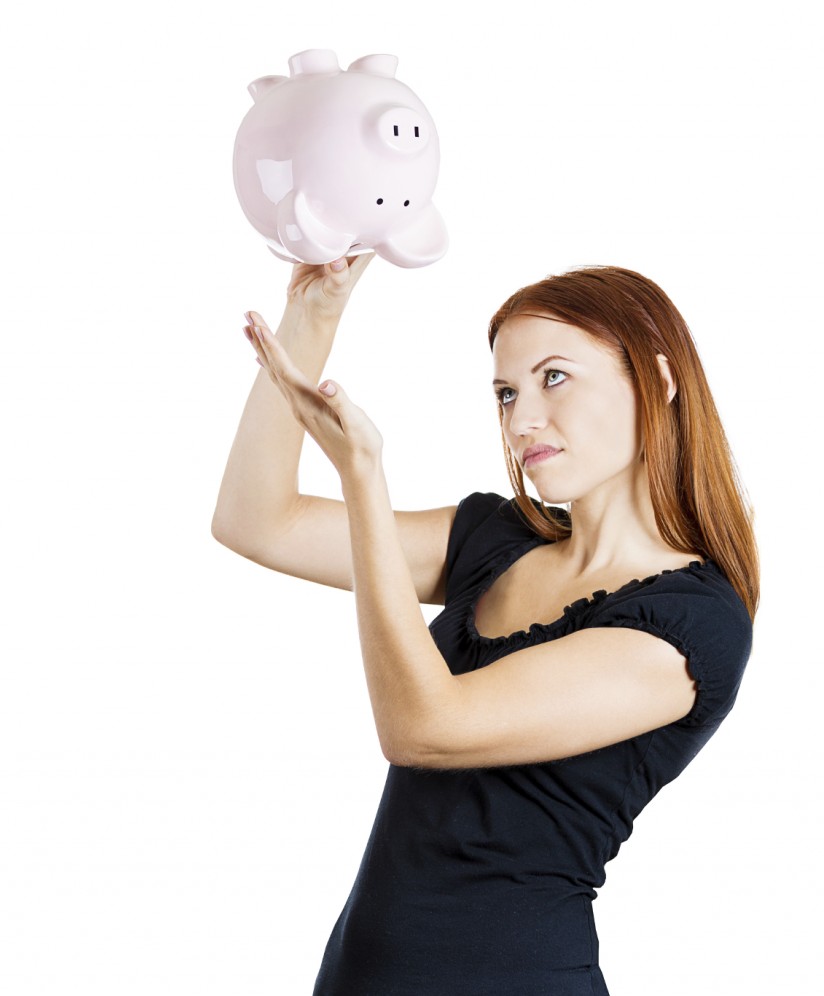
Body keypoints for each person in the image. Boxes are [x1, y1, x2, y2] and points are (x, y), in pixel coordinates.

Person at [211, 256, 757, 995]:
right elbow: (256, 521)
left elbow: (424, 727)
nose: (522, 418)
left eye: (553, 377)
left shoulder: (691, 625)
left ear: (657, 382)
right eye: (506, 391)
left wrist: (365, 480)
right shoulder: (495, 540)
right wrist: (313, 319)